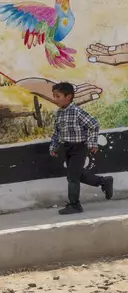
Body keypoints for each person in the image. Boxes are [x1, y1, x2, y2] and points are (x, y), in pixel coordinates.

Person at [49, 82, 114, 215]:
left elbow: (93, 125)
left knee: (72, 177)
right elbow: (56, 132)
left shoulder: (77, 112)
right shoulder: (59, 114)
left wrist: (92, 143)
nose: (55, 99)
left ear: (69, 96)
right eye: (54, 96)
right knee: (76, 175)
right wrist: (54, 146)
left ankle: (75, 205)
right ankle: (104, 181)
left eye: (58, 96)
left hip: (79, 147)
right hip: (66, 147)